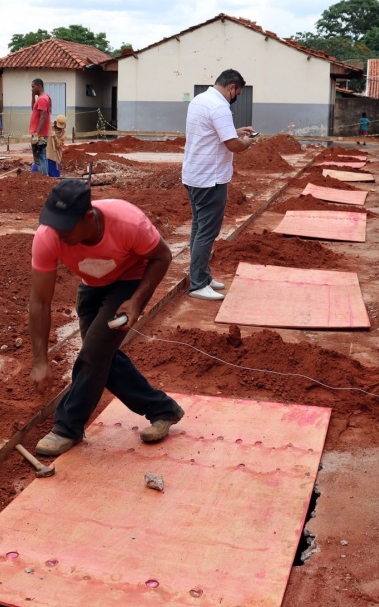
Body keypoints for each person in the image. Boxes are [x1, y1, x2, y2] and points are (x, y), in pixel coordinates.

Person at [29, 179, 184, 456]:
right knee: (103, 357)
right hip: (91, 285)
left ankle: (67, 427)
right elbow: (40, 301)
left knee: (92, 355)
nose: (58, 234)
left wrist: (136, 302)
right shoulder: (48, 236)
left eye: (65, 228)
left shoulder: (128, 222)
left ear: (88, 217)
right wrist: (40, 360)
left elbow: (162, 256)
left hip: (130, 282)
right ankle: (163, 409)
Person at [181, 69, 255, 301]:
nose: (236, 98)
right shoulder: (220, 106)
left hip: (194, 175)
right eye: (238, 94)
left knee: (198, 228)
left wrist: (235, 132)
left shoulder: (200, 100)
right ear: (232, 87)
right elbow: (234, 146)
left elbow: (211, 133)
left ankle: (200, 275)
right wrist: (247, 142)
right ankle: (198, 284)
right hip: (210, 179)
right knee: (207, 232)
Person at [30, 79, 52, 174]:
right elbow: (33, 109)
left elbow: (43, 117)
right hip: (39, 132)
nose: (32, 89)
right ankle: (43, 178)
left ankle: (43, 178)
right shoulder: (43, 97)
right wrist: (32, 96)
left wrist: (37, 134)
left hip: (39, 133)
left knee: (40, 156)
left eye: (33, 87)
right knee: (39, 156)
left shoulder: (43, 99)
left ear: (39, 86)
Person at [45, 113, 66, 178]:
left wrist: (55, 137)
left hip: (55, 158)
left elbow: (59, 146)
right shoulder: (49, 126)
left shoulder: (63, 133)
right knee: (35, 172)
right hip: (46, 155)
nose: (59, 128)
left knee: (55, 177)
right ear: (55, 122)